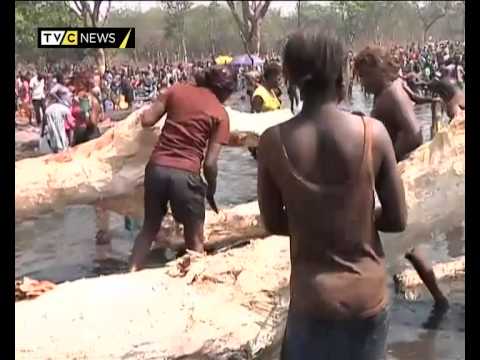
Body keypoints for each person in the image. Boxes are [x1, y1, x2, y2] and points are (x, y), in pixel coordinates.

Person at [257, 27, 407, 360]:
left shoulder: (272, 142)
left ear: (291, 77)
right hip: (367, 297)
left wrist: (315, 220)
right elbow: (398, 219)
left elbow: (273, 223)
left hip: (312, 299)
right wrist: (354, 219)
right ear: (341, 74)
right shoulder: (374, 133)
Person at [129, 65, 236, 272]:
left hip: (157, 168)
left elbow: (147, 120)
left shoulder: (177, 90)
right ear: (226, 92)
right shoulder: (220, 114)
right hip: (185, 174)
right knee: (195, 236)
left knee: (149, 227)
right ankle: (194, 282)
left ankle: (131, 273)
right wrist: (210, 189)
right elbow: (210, 164)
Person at [354, 46, 431, 161]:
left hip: (400, 166)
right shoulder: (389, 90)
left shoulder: (391, 95)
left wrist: (390, 159)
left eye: (363, 76)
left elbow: (414, 135)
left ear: (377, 71)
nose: (362, 82)